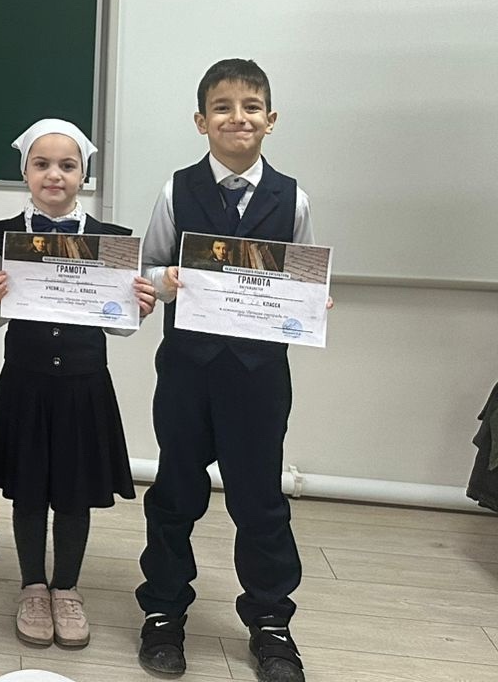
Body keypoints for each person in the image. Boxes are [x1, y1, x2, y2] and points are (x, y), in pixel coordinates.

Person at [135, 59, 323, 682]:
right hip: (187, 372)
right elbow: (149, 270)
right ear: (201, 121)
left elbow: (302, 276)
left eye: (250, 107)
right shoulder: (175, 190)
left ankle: (271, 623)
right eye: (222, 107)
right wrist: (167, 279)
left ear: (271, 119)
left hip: (258, 377)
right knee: (175, 494)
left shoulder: (293, 198)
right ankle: (163, 611)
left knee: (260, 499)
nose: (236, 117)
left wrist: (310, 302)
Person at [0, 119, 157, 652]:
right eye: (41, 165)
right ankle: (33, 587)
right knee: (29, 490)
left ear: (84, 174)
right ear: (25, 173)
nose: (54, 175)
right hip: (26, 382)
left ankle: (67, 588)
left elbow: (119, 326)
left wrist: (138, 307)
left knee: (75, 492)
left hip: (83, 384)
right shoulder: (0, 238)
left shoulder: (111, 241)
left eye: (67, 165)